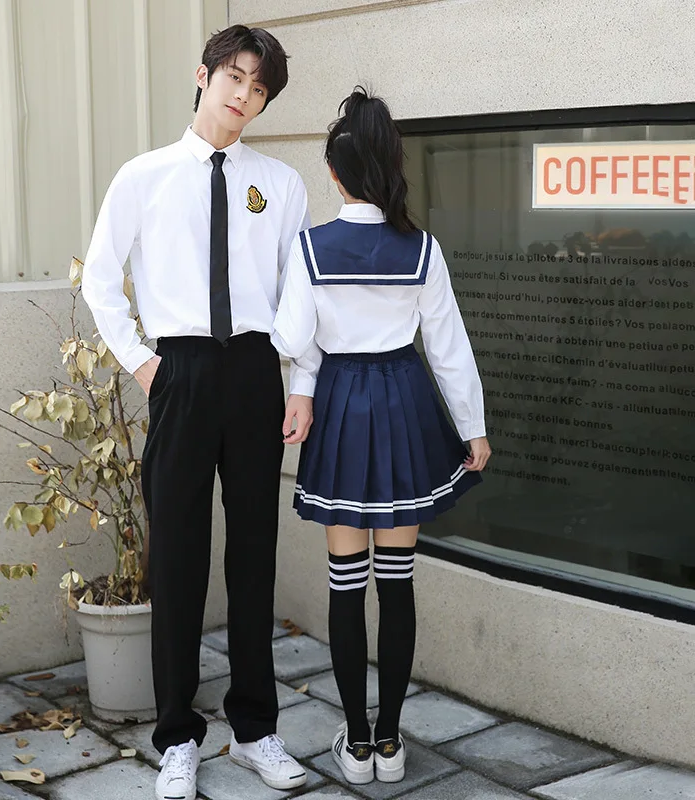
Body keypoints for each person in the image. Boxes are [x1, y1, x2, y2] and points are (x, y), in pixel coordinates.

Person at [81, 25, 310, 800]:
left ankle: (256, 729)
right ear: (204, 75)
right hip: (176, 370)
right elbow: (101, 282)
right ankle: (177, 735)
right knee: (177, 558)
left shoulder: (278, 184)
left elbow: (299, 298)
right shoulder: (143, 177)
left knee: (253, 553)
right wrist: (145, 363)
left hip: (253, 371)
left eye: (259, 87)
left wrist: (300, 382)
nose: (244, 95)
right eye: (234, 78)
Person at [272, 87, 491, 786]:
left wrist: (295, 371)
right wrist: (475, 429)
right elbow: (449, 348)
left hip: (340, 408)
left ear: (334, 175)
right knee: (396, 582)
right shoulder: (420, 247)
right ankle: (393, 744)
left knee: (345, 584)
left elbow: (293, 341)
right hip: (403, 405)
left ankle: (358, 743)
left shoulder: (311, 248)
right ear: (388, 168)